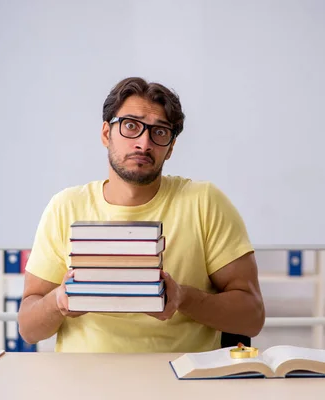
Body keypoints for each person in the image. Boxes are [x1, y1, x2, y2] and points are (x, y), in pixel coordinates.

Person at [18, 77, 265, 353]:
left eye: (159, 132)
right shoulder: (65, 207)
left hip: (180, 382)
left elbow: (252, 318)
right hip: (85, 383)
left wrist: (183, 298)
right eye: (131, 126)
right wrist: (58, 301)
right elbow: (28, 329)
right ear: (105, 134)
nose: (144, 143)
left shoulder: (204, 203)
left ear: (170, 147)